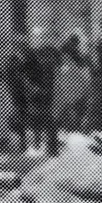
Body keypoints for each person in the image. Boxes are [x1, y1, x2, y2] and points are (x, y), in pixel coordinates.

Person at [22, 27, 61, 156]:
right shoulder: (29, 54)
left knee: (49, 117)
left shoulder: (51, 51)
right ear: (33, 39)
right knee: (35, 118)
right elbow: (24, 73)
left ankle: (51, 147)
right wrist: (32, 87)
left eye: (42, 37)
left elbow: (59, 67)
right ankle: (36, 145)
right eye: (37, 37)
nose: (39, 39)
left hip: (49, 89)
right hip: (35, 90)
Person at [55, 34, 97, 136]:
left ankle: (73, 126)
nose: (76, 45)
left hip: (70, 82)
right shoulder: (67, 52)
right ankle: (71, 126)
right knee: (71, 103)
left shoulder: (70, 52)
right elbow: (77, 63)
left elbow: (79, 62)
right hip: (69, 81)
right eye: (75, 43)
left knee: (73, 104)